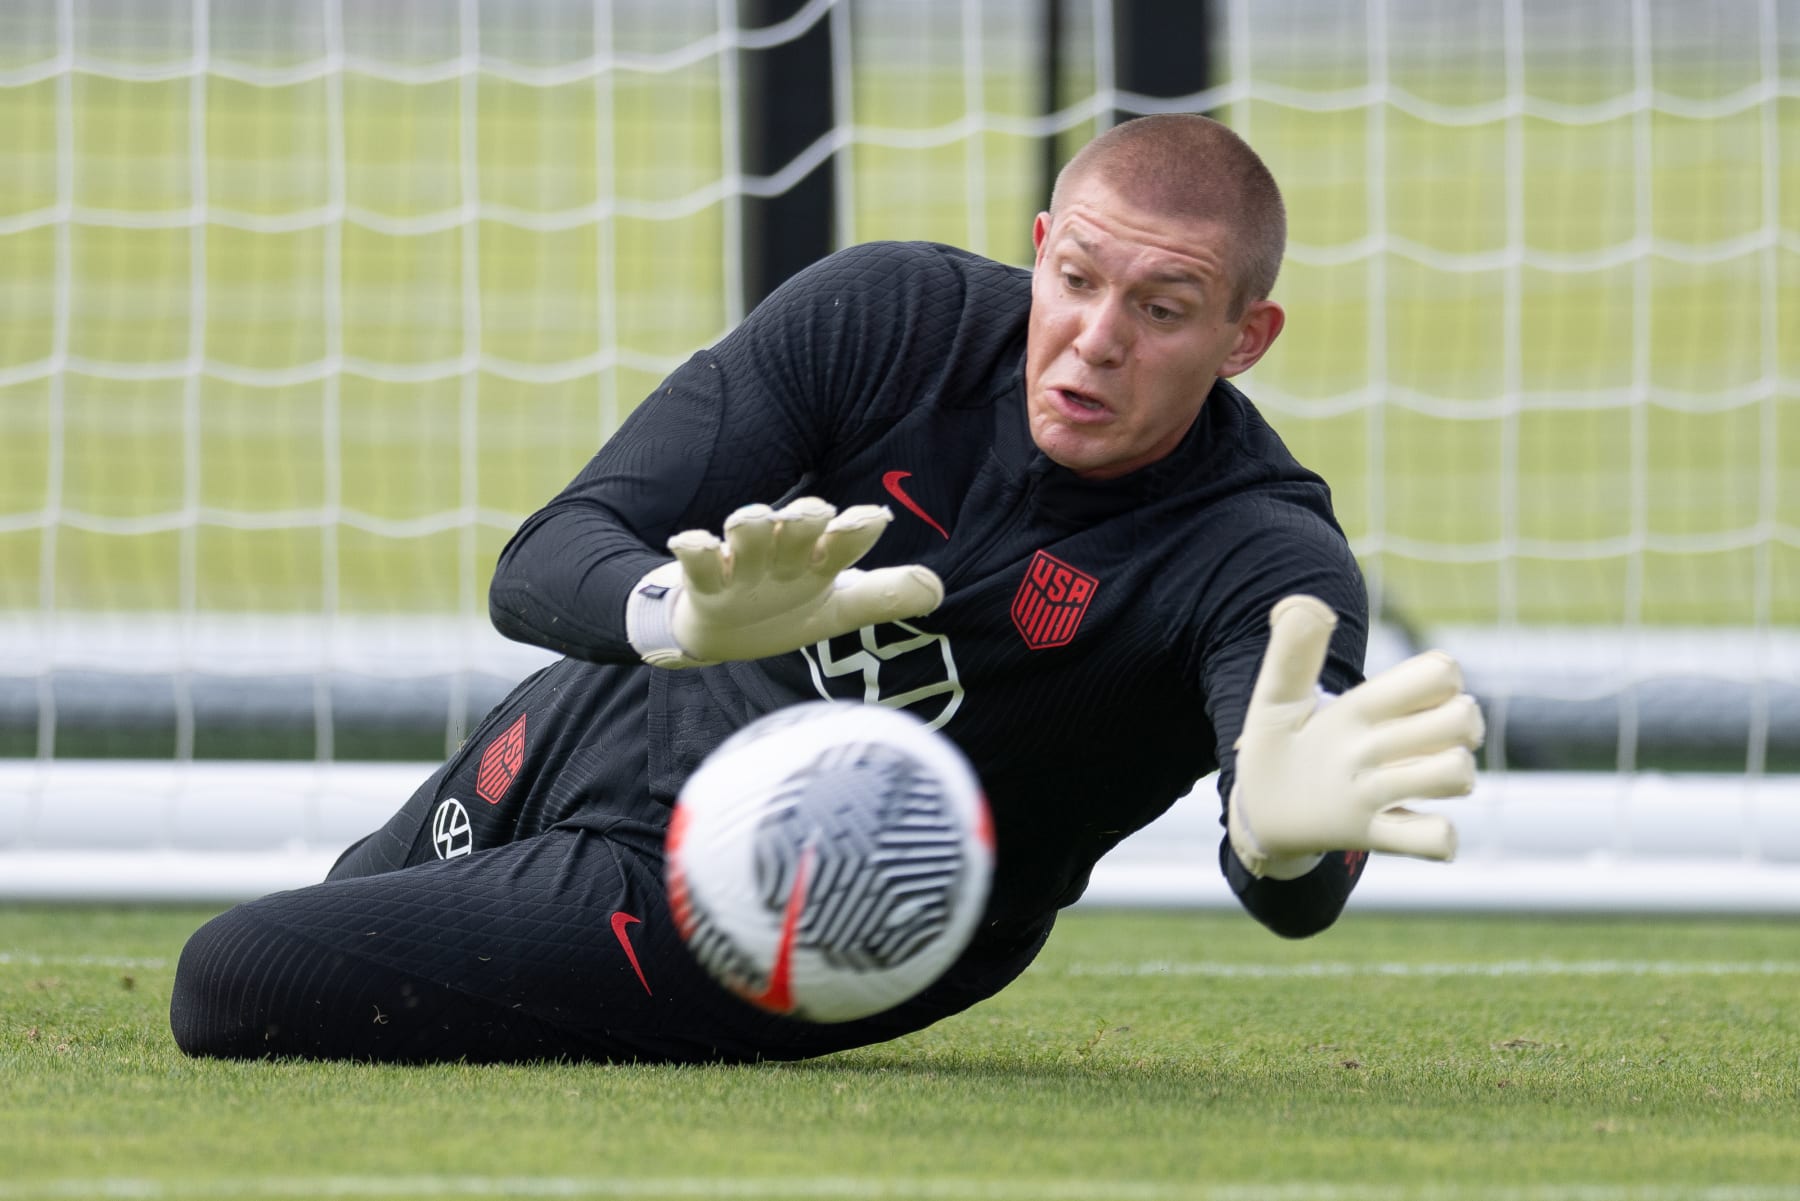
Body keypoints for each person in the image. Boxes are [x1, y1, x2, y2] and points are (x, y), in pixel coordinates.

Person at [170, 114, 1483, 1063]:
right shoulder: (892, 317)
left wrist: (1286, 838)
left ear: (1245, 337)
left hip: (771, 911)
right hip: (607, 716)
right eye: (1076, 279)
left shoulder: (1259, 555)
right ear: (1038, 250)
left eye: (1163, 307)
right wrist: (679, 616)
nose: (1095, 337)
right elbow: (550, 556)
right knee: (333, 933)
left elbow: (1293, 876)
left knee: (232, 979)